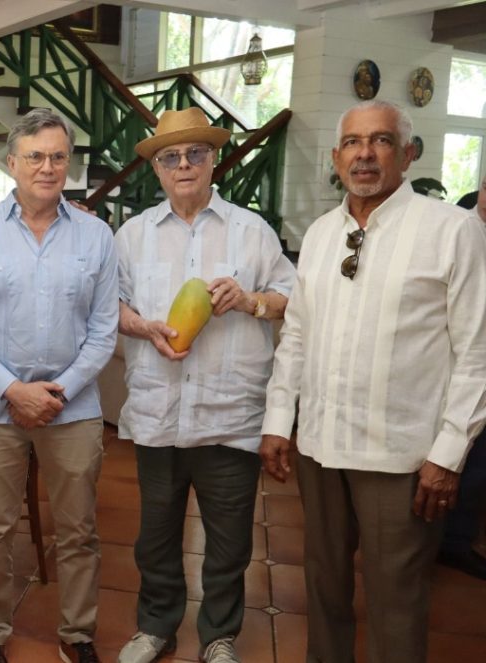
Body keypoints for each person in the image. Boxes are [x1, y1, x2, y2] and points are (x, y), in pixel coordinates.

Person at [260, 99, 486, 663]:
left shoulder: (452, 230)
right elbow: (297, 335)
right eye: (353, 142)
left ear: (407, 154)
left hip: (401, 456)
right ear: (336, 157)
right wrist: (278, 422)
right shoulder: (319, 234)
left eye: (381, 140)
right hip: (319, 446)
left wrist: (448, 454)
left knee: (396, 601)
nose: (365, 154)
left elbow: (476, 353)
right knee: (323, 585)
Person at [112, 108, 295, 663]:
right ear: (157, 168)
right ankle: (156, 627)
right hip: (159, 411)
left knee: (230, 543)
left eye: (196, 153)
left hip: (229, 415)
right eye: (171, 156)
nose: (184, 164)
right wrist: (142, 327)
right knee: (156, 537)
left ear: (213, 160)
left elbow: (292, 299)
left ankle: (218, 636)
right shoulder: (133, 236)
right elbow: (110, 306)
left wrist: (249, 300)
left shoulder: (252, 231)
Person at [0, 108, 118, 663]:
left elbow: (104, 330)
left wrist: (59, 391)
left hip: (74, 409)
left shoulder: (96, 235)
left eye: (58, 157)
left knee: (79, 530)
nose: (48, 167)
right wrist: (13, 391)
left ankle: (78, 634)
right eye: (36, 156)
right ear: (12, 162)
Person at [438, 175, 486, 580]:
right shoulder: (452, 228)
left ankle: (457, 539)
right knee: (457, 458)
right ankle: (443, 541)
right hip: (455, 368)